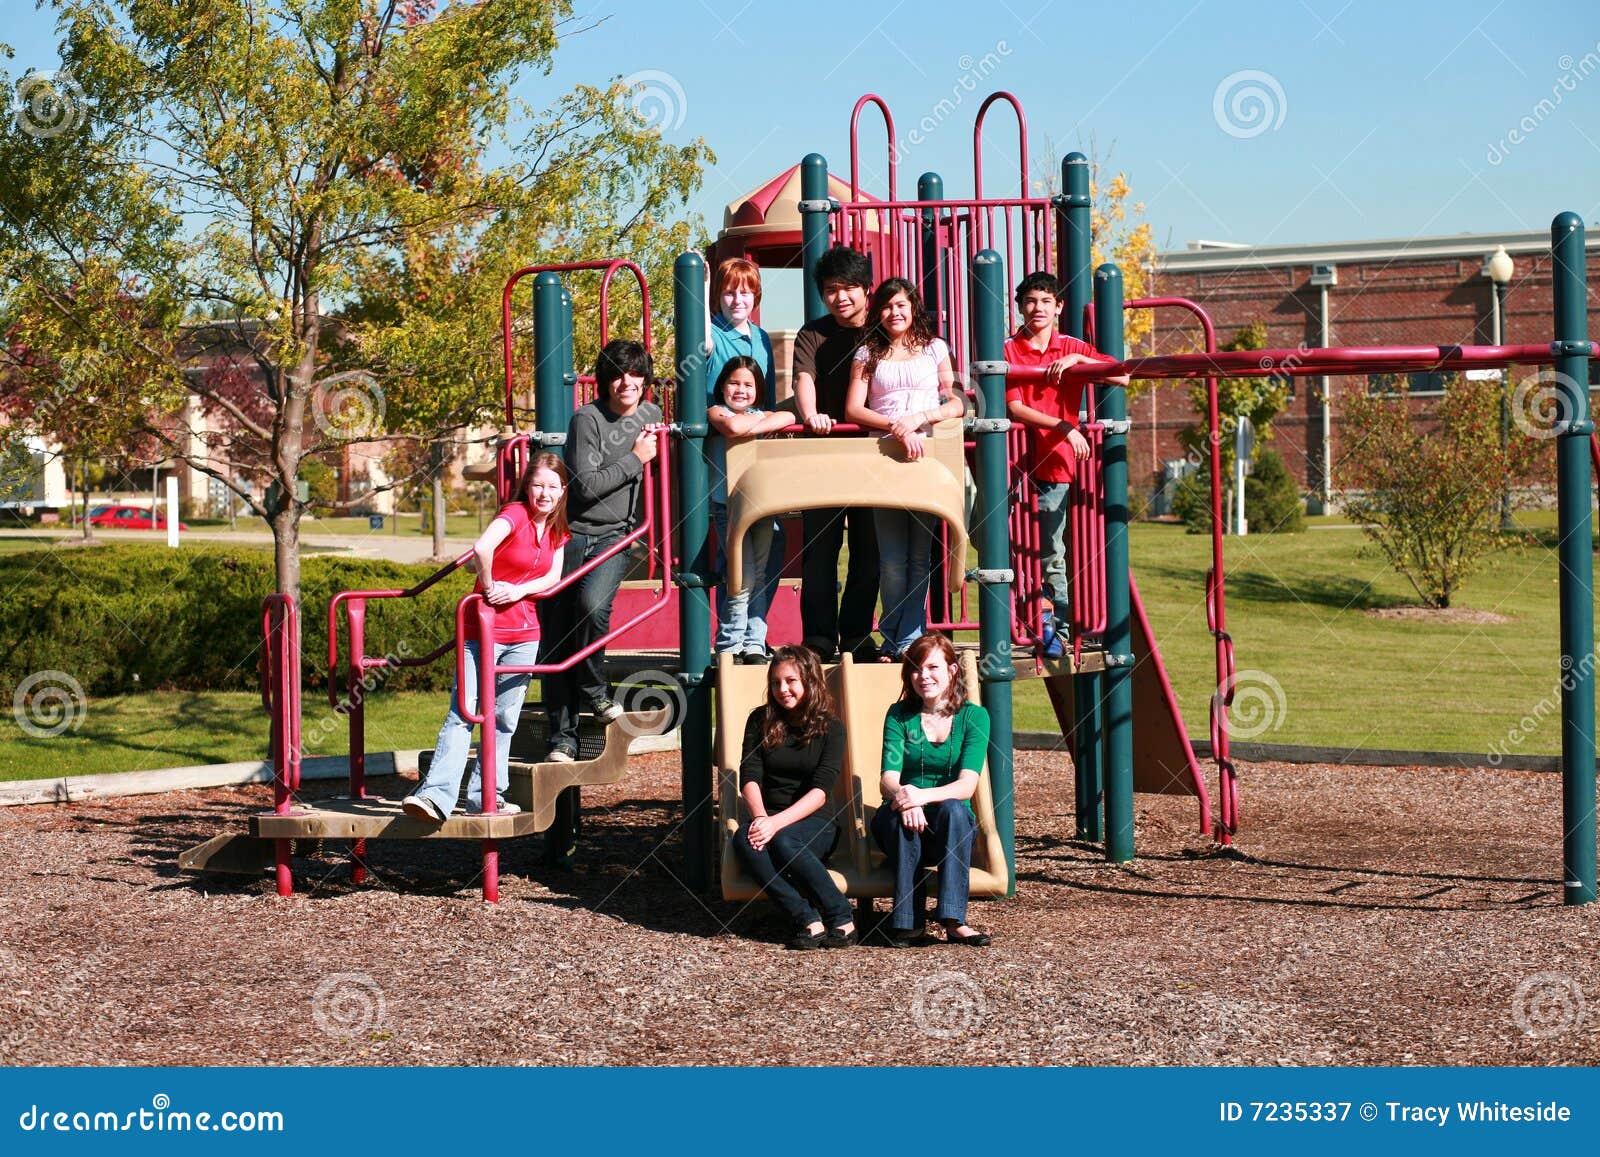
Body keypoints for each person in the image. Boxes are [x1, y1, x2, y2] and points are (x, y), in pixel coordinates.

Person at [539, 340, 664, 863]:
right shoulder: (585, 420)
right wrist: (636, 459)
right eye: (618, 376)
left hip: (615, 537)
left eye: (636, 376)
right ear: (604, 380)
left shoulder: (655, 414)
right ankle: (562, 737)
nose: (627, 384)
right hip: (572, 535)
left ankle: (594, 688)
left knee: (593, 609)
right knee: (556, 637)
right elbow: (586, 487)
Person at [402, 453, 570, 823]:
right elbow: (482, 548)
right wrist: (492, 587)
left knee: (505, 717)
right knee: (464, 712)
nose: (544, 493)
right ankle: (434, 797)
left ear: (562, 492)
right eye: (538, 485)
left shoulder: (557, 528)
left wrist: (517, 591)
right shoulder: (514, 514)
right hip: (483, 630)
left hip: (524, 633)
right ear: (527, 486)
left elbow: (552, 577)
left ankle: (485, 796)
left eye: (552, 487)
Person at [1003, 271, 1127, 659]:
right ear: (1019, 306)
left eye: (1045, 301)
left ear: (1058, 308)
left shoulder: (1072, 345)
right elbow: (1014, 406)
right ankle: (1030, 611)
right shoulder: (1008, 348)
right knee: (992, 538)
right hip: (1010, 460)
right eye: (1030, 301)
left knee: (1050, 549)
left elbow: (1122, 375)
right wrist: (1065, 426)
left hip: (1053, 464)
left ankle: (1054, 624)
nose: (1037, 308)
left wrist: (1078, 360)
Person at [844, 277, 964, 661]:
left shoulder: (934, 348)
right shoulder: (868, 353)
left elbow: (957, 398)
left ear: (913, 308)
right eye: (887, 306)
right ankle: (898, 635)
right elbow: (854, 409)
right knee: (892, 558)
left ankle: (906, 638)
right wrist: (895, 426)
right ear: (878, 312)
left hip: (926, 454)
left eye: (902, 305)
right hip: (884, 455)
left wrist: (919, 418)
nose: (895, 313)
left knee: (920, 555)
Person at [870, 633, 992, 947]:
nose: (923, 676)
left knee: (953, 808)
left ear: (952, 670)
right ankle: (908, 922)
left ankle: (953, 919)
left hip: (947, 833)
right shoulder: (899, 716)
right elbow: (888, 778)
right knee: (900, 822)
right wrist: (904, 798)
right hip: (900, 823)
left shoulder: (974, 717)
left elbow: (967, 786)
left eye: (932, 667)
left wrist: (920, 796)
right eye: (915, 669)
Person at [732, 645, 856, 949]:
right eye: (775, 682)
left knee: (786, 841)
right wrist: (761, 819)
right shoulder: (760, 720)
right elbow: (749, 777)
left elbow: (820, 793)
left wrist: (775, 825)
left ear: (809, 682)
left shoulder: (831, 728)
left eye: (791, 681)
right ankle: (807, 920)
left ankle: (842, 916)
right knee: (743, 842)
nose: (782, 689)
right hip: (768, 817)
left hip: (815, 822)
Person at [791, 246, 879, 663]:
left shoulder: (883, 332)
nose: (840, 297)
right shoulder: (814, 333)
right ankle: (821, 637)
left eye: (847, 289)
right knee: (820, 551)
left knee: (871, 549)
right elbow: (804, 378)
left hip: (873, 456)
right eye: (830, 290)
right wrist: (811, 416)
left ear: (866, 289)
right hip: (823, 454)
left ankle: (859, 633)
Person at [708, 356, 793, 662]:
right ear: (722, 386)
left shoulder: (761, 414)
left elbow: (785, 416)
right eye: (734, 383)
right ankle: (729, 644)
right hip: (728, 506)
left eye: (748, 384)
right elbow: (731, 425)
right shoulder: (715, 411)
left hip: (762, 506)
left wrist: (757, 421)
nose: (741, 390)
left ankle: (754, 642)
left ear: (758, 389)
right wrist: (756, 424)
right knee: (741, 575)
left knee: (759, 573)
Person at [707, 257, 775, 407]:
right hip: (719, 428)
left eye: (744, 293)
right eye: (729, 293)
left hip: (756, 428)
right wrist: (703, 285)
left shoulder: (762, 337)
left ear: (755, 296)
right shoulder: (711, 333)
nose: (738, 300)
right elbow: (704, 341)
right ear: (718, 296)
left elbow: (768, 397)